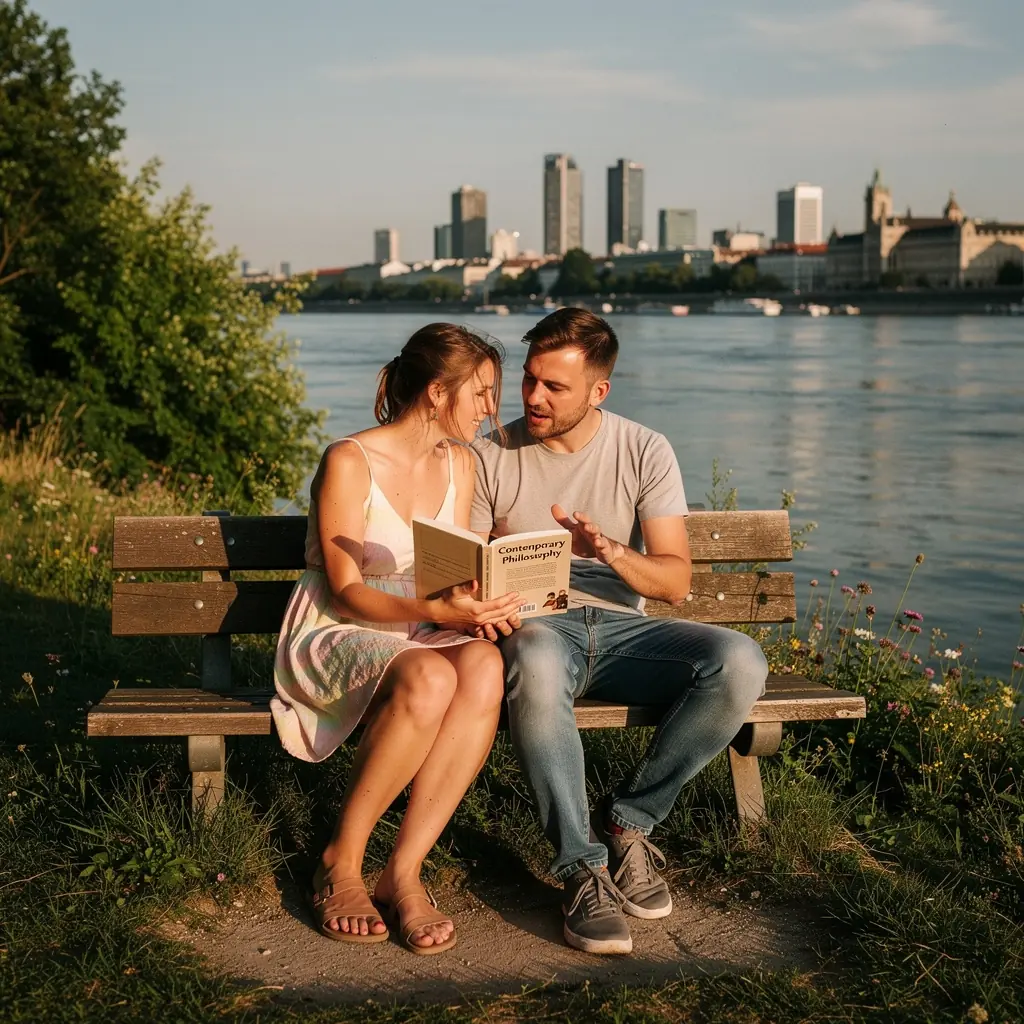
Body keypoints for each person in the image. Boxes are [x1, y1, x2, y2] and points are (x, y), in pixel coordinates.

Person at [471, 309, 768, 955]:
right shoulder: (487, 452)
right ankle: (582, 869)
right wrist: (488, 585)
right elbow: (460, 568)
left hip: (621, 629)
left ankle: (629, 822)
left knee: (739, 659)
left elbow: (672, 583)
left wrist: (607, 549)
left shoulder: (643, 448)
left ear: (598, 391)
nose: (534, 398)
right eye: (530, 380)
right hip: (536, 627)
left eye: (556, 387)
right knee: (540, 662)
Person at [273, 323, 521, 955]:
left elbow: (448, 573)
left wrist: (480, 604)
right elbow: (345, 588)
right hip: (338, 630)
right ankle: (340, 860)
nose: (493, 408)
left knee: (487, 665)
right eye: (483, 393)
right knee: (432, 675)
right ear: (438, 392)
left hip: (419, 625)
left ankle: (403, 871)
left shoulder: (462, 463)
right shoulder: (349, 459)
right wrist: (433, 607)